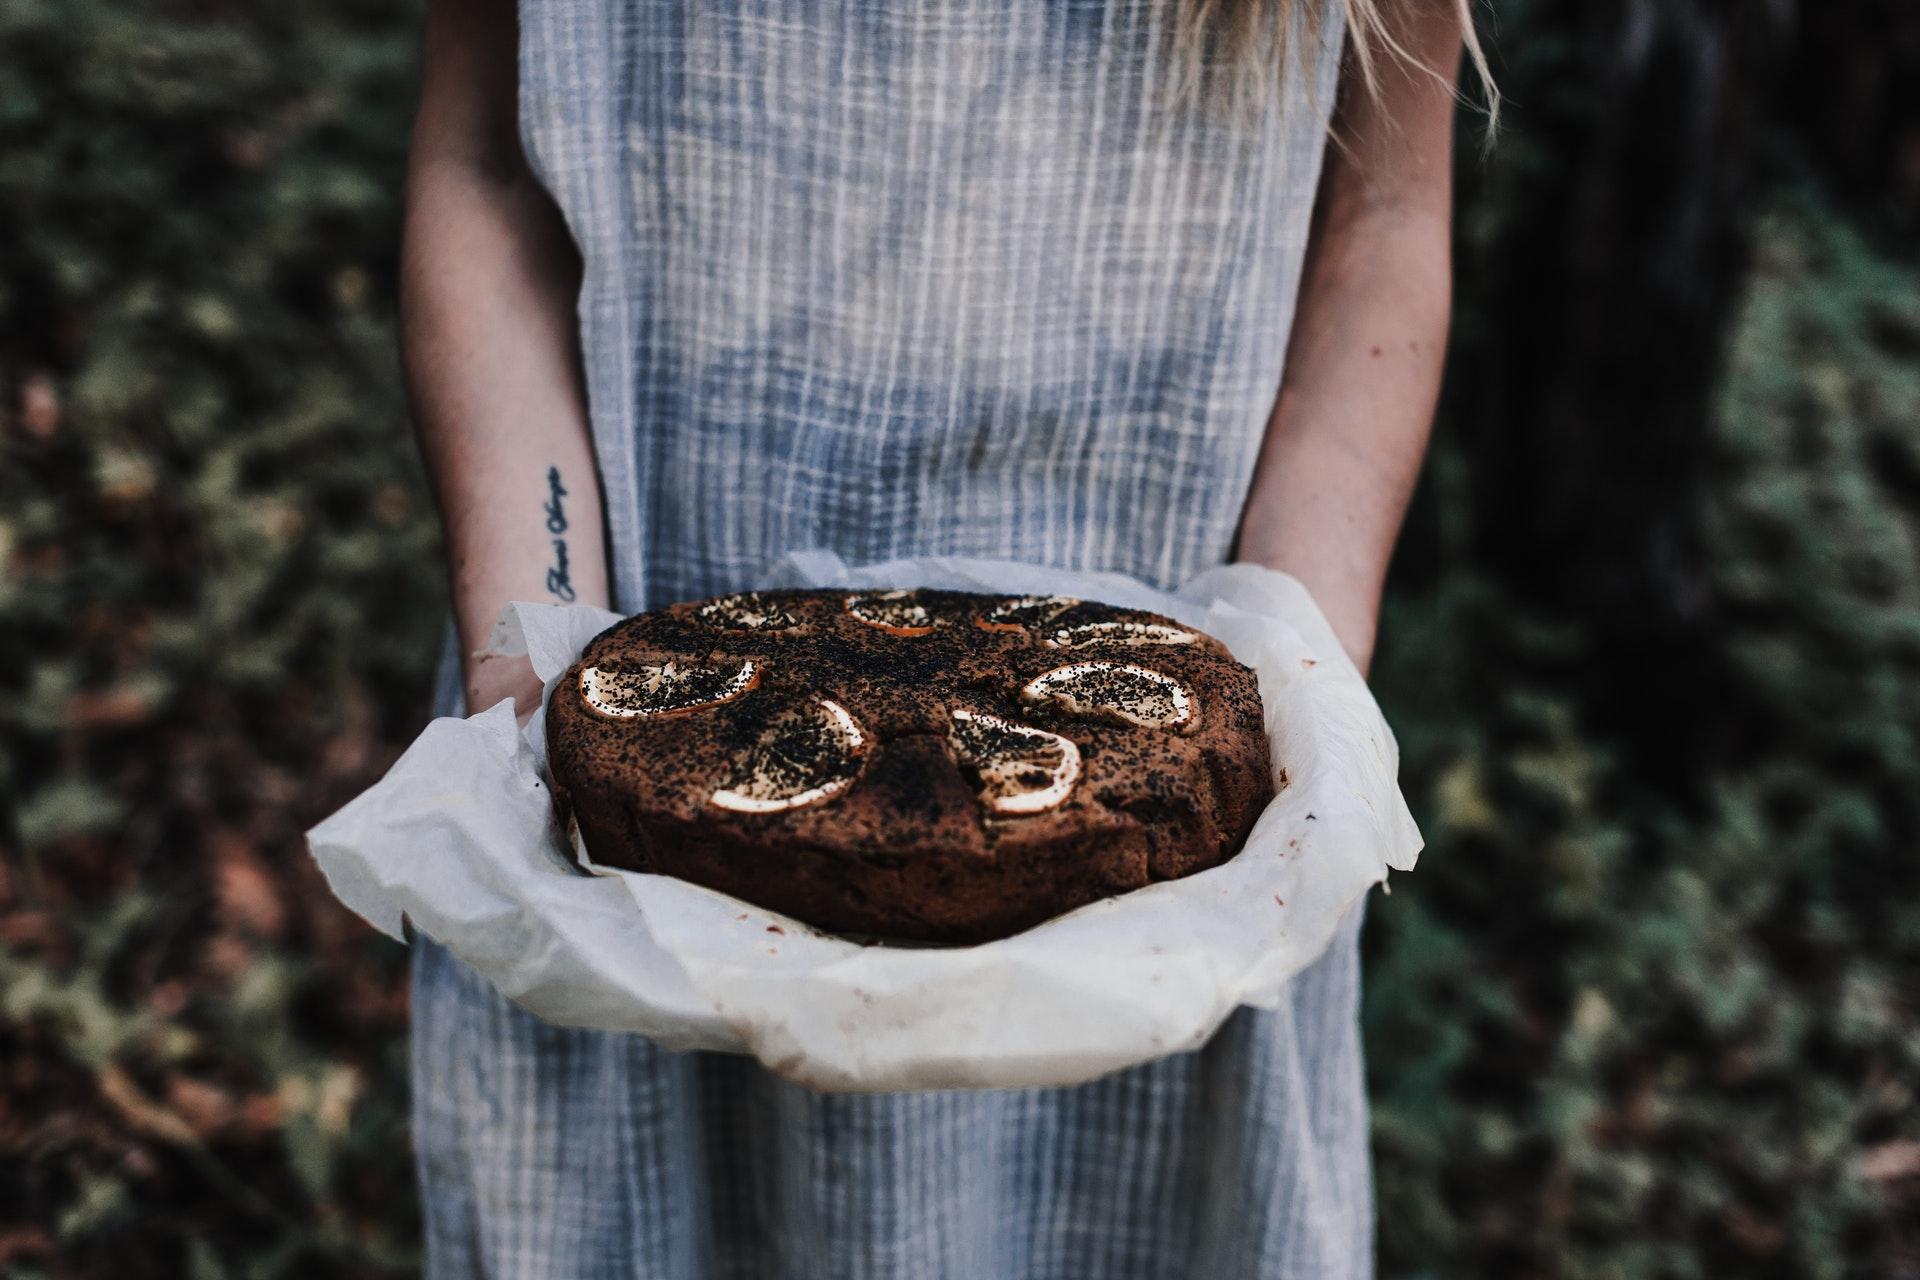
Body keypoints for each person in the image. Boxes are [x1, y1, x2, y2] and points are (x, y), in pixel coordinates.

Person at [399, 0, 1489, 1273]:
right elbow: (486, 168)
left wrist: (1293, 662)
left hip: (1171, 887)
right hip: (625, 853)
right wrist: (530, 649)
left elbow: (1386, 212)